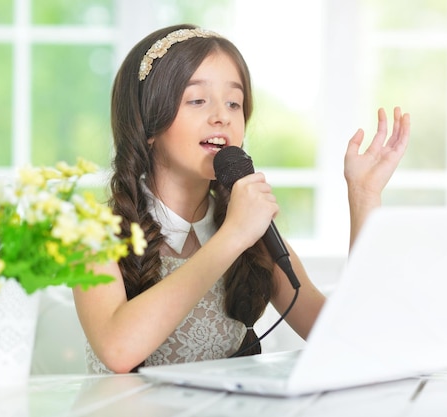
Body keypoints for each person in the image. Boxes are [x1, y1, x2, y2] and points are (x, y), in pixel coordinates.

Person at [73, 23, 410, 374]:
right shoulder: (92, 235)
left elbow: (347, 340)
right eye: (197, 100)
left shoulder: (253, 232)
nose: (222, 116)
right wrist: (232, 236)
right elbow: (118, 350)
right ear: (148, 124)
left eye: (234, 103)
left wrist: (364, 196)